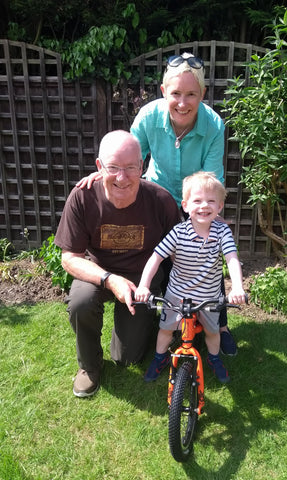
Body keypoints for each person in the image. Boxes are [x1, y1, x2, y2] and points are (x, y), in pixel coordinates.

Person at [77, 52, 238, 356]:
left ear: (202, 94)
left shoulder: (214, 125)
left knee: (206, 253)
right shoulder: (150, 116)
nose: (182, 102)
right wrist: (102, 174)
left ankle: (221, 325)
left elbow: (211, 177)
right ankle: (166, 317)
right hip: (154, 198)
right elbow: (128, 157)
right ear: (164, 92)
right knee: (161, 258)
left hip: (196, 200)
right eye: (175, 93)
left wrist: (206, 213)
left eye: (191, 94)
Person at [54, 130, 180, 398]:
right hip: (98, 273)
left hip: (142, 281)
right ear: (99, 167)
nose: (122, 178)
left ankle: (140, 328)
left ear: (141, 167)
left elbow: (178, 253)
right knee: (81, 301)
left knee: (127, 359)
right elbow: (69, 258)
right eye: (113, 168)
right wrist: (110, 280)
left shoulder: (161, 200)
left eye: (130, 168)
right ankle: (88, 366)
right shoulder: (82, 197)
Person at [135, 172, 246, 384]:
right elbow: (156, 258)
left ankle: (213, 358)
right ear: (185, 205)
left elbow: (231, 258)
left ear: (220, 206)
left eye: (211, 201)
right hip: (177, 295)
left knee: (213, 334)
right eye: (197, 200)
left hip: (209, 296)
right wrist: (143, 285)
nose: (204, 206)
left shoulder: (222, 232)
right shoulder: (178, 232)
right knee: (165, 330)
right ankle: (160, 357)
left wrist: (237, 287)